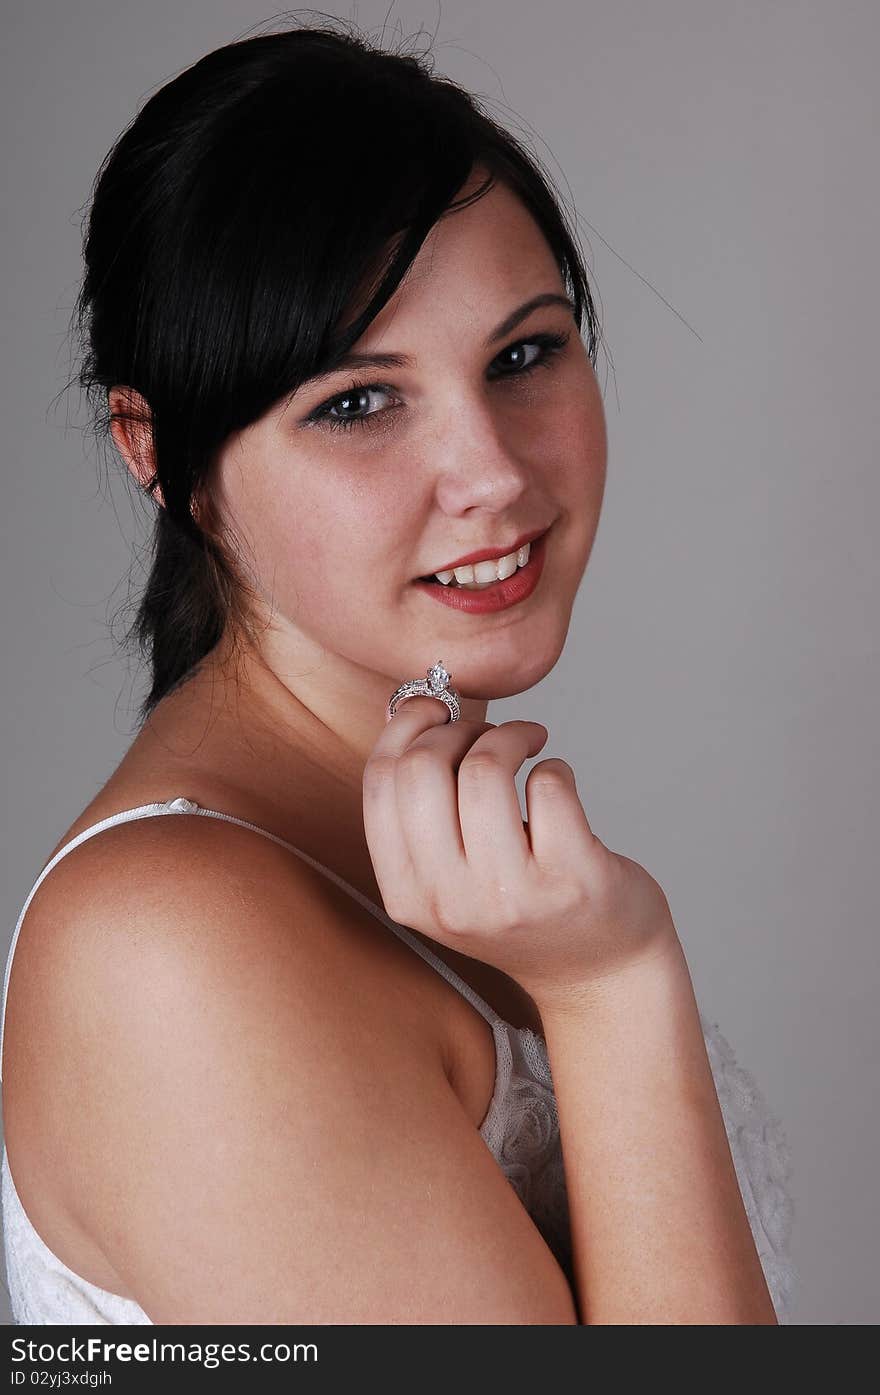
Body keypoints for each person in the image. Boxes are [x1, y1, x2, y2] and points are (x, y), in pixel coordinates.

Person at [0, 21, 796, 1325]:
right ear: (159, 452)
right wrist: (611, 987)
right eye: (358, 402)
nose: (492, 473)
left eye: (526, 352)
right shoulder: (172, 954)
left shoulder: (452, 842)